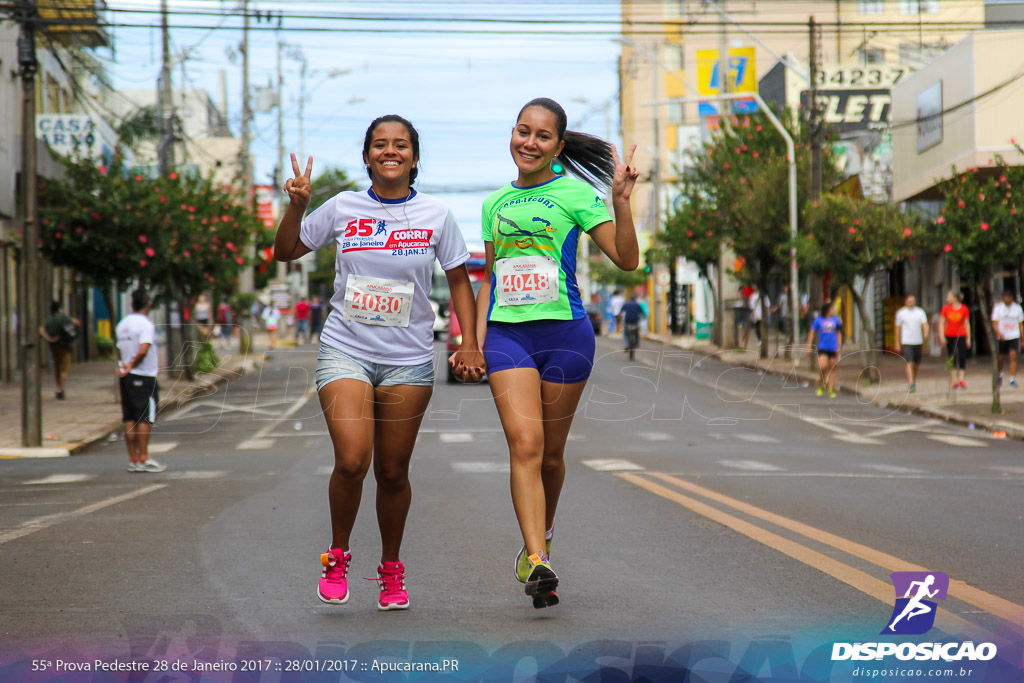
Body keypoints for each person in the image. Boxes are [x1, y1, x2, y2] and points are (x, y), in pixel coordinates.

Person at [274, 115, 484, 611]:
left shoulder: (436, 214)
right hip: (346, 348)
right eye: (380, 145)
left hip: (409, 359)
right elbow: (286, 250)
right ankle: (338, 554)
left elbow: (459, 282)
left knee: (393, 472)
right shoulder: (342, 207)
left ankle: (391, 569)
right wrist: (297, 207)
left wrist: (469, 342)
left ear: (414, 155)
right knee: (352, 460)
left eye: (401, 145)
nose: (391, 152)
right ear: (367, 155)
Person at [475, 97, 639, 609]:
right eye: (523, 131)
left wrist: (621, 202)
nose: (530, 142)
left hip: (567, 336)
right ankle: (538, 556)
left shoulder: (575, 194)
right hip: (508, 336)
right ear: (513, 135)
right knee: (524, 443)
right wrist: (473, 342)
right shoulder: (494, 204)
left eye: (543, 136)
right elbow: (489, 280)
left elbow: (628, 261)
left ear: (558, 147)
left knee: (550, 454)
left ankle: (541, 535)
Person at [115, 289, 166, 473]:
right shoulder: (145, 325)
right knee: (145, 417)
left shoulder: (122, 324)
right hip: (144, 375)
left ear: (131, 304)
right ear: (149, 305)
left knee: (130, 417)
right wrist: (131, 364)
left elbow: (121, 348)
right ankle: (143, 457)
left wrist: (125, 366)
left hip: (126, 376)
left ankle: (133, 458)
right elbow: (143, 350)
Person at [39, 301, 80, 400]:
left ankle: (58, 386)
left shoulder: (49, 321)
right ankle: (60, 389)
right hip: (65, 347)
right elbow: (77, 323)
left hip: (54, 347)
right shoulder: (64, 318)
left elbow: (41, 330)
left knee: (57, 367)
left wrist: (49, 338)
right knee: (64, 369)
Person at [806, 301, 843, 398]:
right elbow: (811, 333)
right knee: (822, 367)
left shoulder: (836, 320)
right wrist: (808, 346)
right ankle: (821, 384)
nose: (833, 310)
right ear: (827, 309)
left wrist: (839, 346)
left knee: (832, 369)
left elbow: (839, 333)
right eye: (831, 308)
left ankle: (830, 389)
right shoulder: (818, 320)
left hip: (833, 348)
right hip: (823, 347)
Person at [894, 294, 929, 392]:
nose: (911, 303)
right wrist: (897, 342)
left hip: (918, 341)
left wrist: (926, 332)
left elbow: (925, 324)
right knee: (909, 361)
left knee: (916, 363)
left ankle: (913, 378)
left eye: (913, 301)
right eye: (909, 301)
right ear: (905, 302)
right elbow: (897, 328)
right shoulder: (901, 313)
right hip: (907, 341)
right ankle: (911, 383)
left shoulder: (920, 312)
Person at [991, 290, 1024, 388]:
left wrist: (1022, 338)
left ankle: (1012, 378)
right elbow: (994, 323)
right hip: (1002, 336)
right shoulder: (998, 308)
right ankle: (1000, 374)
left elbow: (1020, 324)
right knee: (1000, 357)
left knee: (1013, 355)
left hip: (1014, 335)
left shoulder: (1017, 308)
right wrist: (999, 333)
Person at [939, 290, 970, 389]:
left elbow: (967, 323)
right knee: (951, 357)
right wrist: (942, 336)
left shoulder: (964, 309)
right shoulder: (945, 308)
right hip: (949, 335)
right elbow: (942, 323)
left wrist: (968, 338)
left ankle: (961, 379)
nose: (947, 298)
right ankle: (954, 380)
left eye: (949, 296)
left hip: (961, 335)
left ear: (955, 298)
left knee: (962, 356)